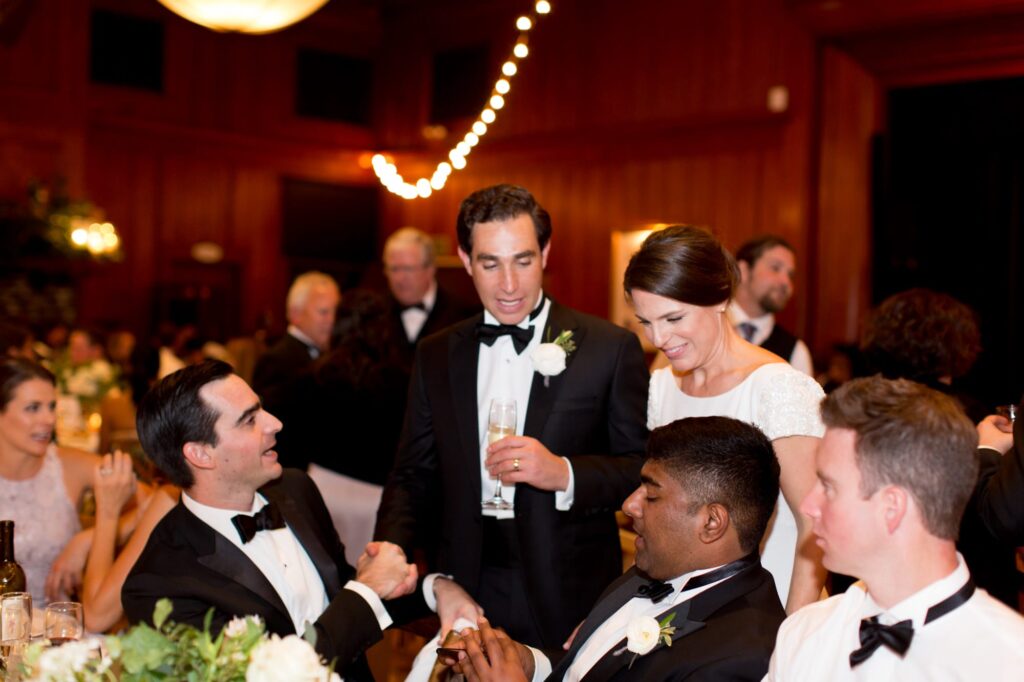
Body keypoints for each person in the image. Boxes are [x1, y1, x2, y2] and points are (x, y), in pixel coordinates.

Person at [375, 184, 649, 650]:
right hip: (465, 583)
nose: (508, 284)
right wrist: (391, 549)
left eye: (523, 261)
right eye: (490, 263)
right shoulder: (437, 354)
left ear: (545, 252)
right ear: (464, 260)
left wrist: (562, 472)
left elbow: (638, 468)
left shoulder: (609, 348)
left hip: (569, 586)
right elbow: (411, 472)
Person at [122, 360, 477, 681]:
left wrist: (435, 588)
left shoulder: (294, 490)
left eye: (261, 409)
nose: (274, 423)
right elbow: (278, 676)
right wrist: (366, 589)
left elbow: (340, 592)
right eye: (249, 420)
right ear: (200, 454)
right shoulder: (159, 584)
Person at [453, 416, 787, 682]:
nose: (629, 505)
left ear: (711, 522)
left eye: (652, 495)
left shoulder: (743, 656)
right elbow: (592, 670)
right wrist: (531, 664)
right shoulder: (647, 570)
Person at [766, 376, 1024, 680]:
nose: (808, 505)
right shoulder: (803, 634)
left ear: (892, 507)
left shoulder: (1008, 660)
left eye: (828, 486)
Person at [624, 225, 825, 613]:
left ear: (720, 299)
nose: (660, 339)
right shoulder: (663, 383)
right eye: (646, 322)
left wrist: (789, 638)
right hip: (683, 610)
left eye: (674, 318)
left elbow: (815, 527)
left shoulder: (778, 388)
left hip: (766, 608)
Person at [0, 359, 98, 606]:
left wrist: (89, 538)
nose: (49, 419)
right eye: (33, 408)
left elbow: (160, 501)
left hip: (57, 635)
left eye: (52, 407)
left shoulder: (70, 466)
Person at [252, 271, 340, 469]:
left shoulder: (333, 356)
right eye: (324, 312)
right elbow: (269, 430)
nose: (333, 320)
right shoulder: (276, 359)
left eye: (337, 312)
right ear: (295, 314)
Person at [382, 226, 477, 366]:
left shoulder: (464, 315)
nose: (400, 278)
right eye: (394, 269)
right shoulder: (374, 315)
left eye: (408, 268)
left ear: (430, 269)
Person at [729, 234, 813, 376]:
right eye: (775, 268)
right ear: (743, 270)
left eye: (791, 275)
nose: (786, 282)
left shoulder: (796, 352)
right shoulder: (705, 328)